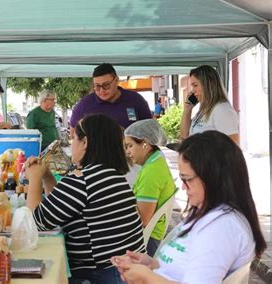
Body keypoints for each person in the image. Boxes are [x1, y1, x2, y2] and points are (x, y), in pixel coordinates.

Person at [113, 131, 266, 283]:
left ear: (212, 177)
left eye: (187, 179)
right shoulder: (209, 214)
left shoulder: (221, 228)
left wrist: (146, 276)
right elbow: (183, 266)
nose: (183, 187)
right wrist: (151, 264)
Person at [25, 114, 145, 284]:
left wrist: (34, 178)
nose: (71, 144)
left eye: (73, 138)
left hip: (105, 275)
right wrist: (46, 176)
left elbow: (33, 224)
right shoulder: (110, 175)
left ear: (85, 142)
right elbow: (59, 207)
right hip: (128, 271)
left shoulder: (83, 180)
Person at [124, 119, 176, 256]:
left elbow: (142, 219)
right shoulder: (155, 161)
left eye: (130, 146)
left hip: (148, 240)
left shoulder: (152, 171)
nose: (127, 152)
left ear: (145, 144)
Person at [70, 63, 151, 137]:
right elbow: (74, 135)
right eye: (97, 86)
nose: (101, 90)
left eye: (106, 85)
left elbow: (150, 131)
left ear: (116, 80)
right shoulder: (84, 105)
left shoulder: (136, 100)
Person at [180, 65, 239, 144]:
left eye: (195, 85)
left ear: (209, 84)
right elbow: (185, 136)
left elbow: (232, 146)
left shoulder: (222, 110)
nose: (193, 91)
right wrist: (188, 109)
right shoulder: (203, 111)